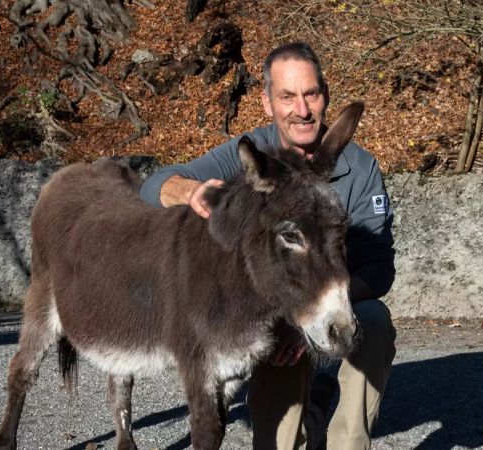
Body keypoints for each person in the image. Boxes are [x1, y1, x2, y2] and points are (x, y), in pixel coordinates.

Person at [139, 41, 396, 450]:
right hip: (276, 307)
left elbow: (379, 268)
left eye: (311, 94)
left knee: (375, 323)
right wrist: (190, 191)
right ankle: (295, 429)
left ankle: (348, 441)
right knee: (273, 338)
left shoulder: (359, 168)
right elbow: (155, 184)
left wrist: (315, 309)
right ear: (266, 102)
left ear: (324, 96)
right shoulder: (252, 155)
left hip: (333, 296)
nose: (302, 110)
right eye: (287, 96)